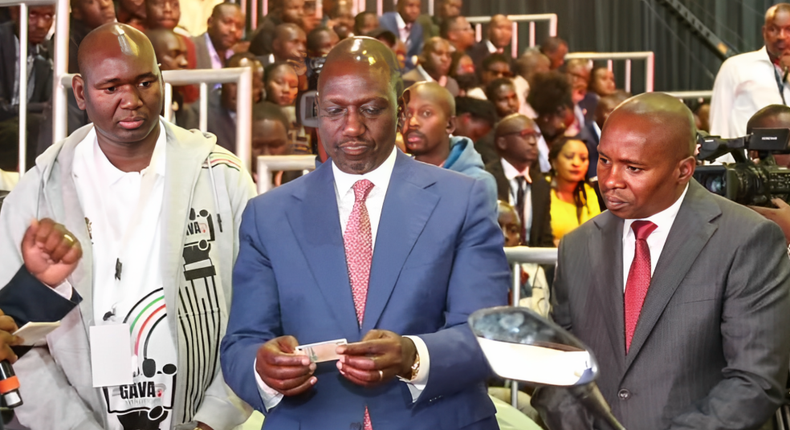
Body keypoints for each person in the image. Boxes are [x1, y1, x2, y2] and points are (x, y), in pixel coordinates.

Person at [220, 36, 509, 430]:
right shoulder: (268, 214)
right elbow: (241, 342)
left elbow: (486, 334)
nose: (352, 127)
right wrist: (263, 368)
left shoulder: (464, 199)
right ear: (317, 111)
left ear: (402, 108)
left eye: (371, 109)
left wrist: (413, 355)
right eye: (334, 111)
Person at [0, 23, 256, 430]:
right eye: (111, 88)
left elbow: (255, 313)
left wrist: (214, 418)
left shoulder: (220, 176)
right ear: (81, 93)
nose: (132, 101)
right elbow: (14, 338)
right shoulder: (37, 193)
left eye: (144, 82)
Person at [532, 92, 790, 429]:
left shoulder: (747, 239)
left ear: (683, 170)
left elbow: (755, 380)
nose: (610, 181)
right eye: (605, 160)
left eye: (634, 168)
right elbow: (557, 366)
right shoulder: (577, 245)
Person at [401, 82, 497, 209]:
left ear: (450, 124)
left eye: (426, 113)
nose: (412, 122)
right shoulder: (392, 176)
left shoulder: (475, 184)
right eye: (406, 114)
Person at [711, 3, 790, 138]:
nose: (781, 36)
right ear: (764, 32)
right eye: (773, 29)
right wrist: (716, 159)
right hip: (749, 157)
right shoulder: (735, 67)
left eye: (788, 29)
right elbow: (719, 124)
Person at [0, 4, 55, 172]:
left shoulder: (48, 49)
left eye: (48, 16)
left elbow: (51, 103)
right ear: (14, 11)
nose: (41, 24)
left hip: (27, 123)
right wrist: (40, 108)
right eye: (33, 15)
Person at [485, 114, 553, 247]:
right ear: (502, 142)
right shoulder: (485, 179)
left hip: (532, 264)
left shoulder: (541, 184)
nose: (533, 142)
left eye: (536, 136)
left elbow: (545, 238)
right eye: (526, 135)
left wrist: (540, 268)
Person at [201, 53, 265, 151]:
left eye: (251, 84)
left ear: (260, 89)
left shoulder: (265, 116)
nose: (241, 89)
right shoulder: (201, 113)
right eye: (234, 83)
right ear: (223, 81)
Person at [548, 136, 600, 244]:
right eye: (569, 157)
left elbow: (596, 236)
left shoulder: (589, 192)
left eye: (583, 158)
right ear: (554, 162)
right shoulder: (541, 189)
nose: (576, 163)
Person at [145, 28, 196, 128]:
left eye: (185, 55)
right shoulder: (142, 102)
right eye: (174, 54)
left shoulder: (178, 99)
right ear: (153, 57)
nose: (184, 62)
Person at [528, 71, 576, 172]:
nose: (563, 126)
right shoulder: (527, 139)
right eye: (560, 117)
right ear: (546, 116)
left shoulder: (560, 138)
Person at [250, 101, 292, 184]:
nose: (266, 154)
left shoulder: (304, 178)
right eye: (257, 146)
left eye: (275, 145)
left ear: (289, 140)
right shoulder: (232, 184)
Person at [194, 3, 245, 70]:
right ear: (210, 22)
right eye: (227, 22)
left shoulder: (239, 57)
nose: (233, 30)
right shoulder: (191, 47)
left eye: (239, 26)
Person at [68, 0, 116, 73]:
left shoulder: (126, 31)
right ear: (76, 12)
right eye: (91, 1)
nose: (105, 5)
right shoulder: (67, 45)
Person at [379, 0, 423, 72]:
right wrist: (411, 60)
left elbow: (418, 55)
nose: (415, 10)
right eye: (410, 5)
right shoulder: (385, 22)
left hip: (408, 73)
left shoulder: (418, 28)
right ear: (399, 6)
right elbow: (388, 53)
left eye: (418, 6)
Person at [512, 50, 551, 119]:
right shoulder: (516, 88)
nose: (549, 73)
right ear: (538, 71)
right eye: (547, 68)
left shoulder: (532, 90)